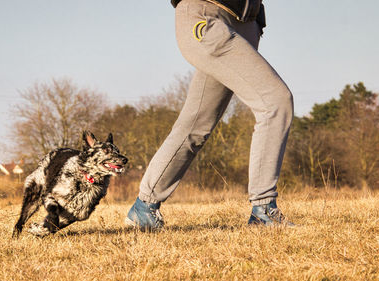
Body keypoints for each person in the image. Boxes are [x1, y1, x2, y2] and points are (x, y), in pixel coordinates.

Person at [125, 0, 294, 230]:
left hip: (247, 25)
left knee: (195, 125)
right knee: (275, 101)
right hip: (207, 16)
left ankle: (144, 208)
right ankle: (263, 210)